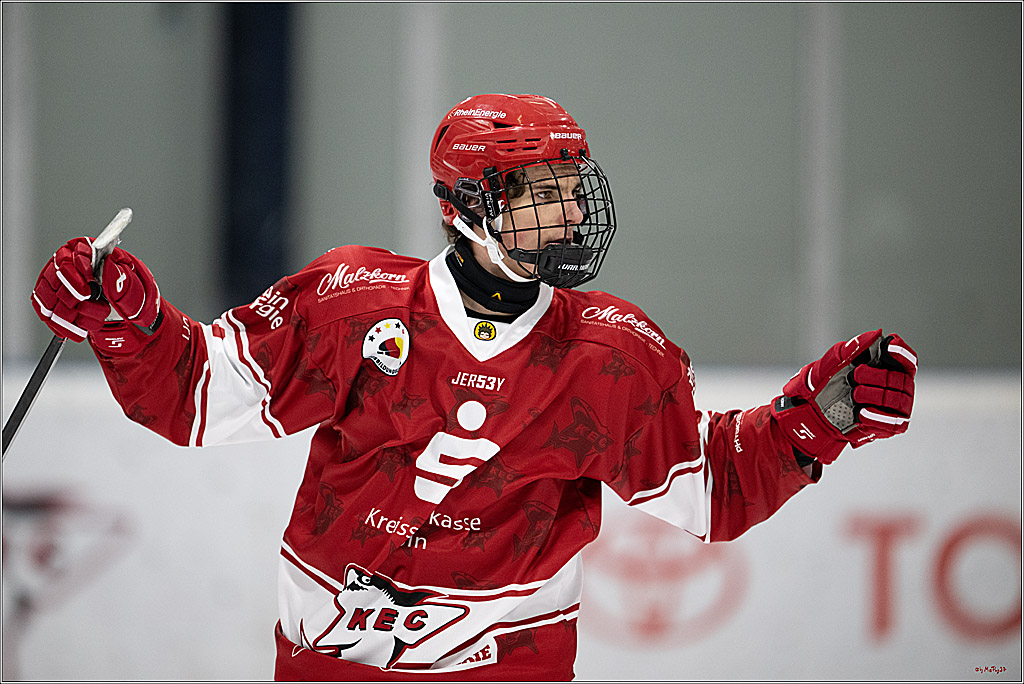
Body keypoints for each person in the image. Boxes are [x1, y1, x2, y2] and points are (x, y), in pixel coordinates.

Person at [30, 93, 917, 681]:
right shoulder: (353, 305)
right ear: (466, 207)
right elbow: (194, 392)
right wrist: (126, 316)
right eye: (541, 189)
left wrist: (829, 413)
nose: (571, 211)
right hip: (332, 664)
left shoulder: (613, 356)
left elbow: (713, 487)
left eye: (573, 185)